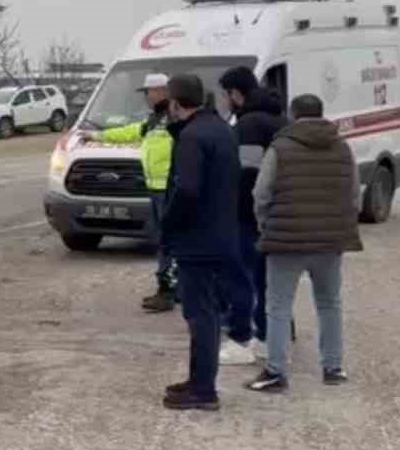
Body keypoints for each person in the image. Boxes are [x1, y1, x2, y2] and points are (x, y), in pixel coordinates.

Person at [244, 94, 362, 392]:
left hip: (285, 241)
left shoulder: (280, 148)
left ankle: (276, 371)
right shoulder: (343, 147)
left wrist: (265, 225)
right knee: (329, 303)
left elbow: (261, 193)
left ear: (293, 115)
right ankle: (333, 368)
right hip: (329, 242)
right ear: (322, 114)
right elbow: (353, 195)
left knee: (278, 306)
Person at [159, 74, 243, 411]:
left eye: (169, 101)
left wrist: (169, 222)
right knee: (205, 311)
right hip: (221, 233)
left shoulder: (192, 137)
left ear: (176, 102)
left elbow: (188, 189)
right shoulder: (221, 129)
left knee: (200, 314)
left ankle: (204, 390)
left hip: (199, 239)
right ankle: (198, 380)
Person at [217, 66, 290, 365]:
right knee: (266, 279)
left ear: (236, 93)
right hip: (279, 212)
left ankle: (241, 337)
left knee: (242, 275)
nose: (223, 100)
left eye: (225, 94)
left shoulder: (248, 125)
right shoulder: (280, 119)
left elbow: (249, 175)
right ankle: (267, 335)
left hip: (249, 215)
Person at [95, 73, 176, 312]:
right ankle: (171, 289)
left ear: (161, 91)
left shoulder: (173, 119)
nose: (146, 98)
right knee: (163, 240)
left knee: (168, 242)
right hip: (155, 188)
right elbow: (130, 132)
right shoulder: (154, 119)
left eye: (148, 93)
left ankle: (168, 291)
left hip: (168, 189)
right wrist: (99, 136)